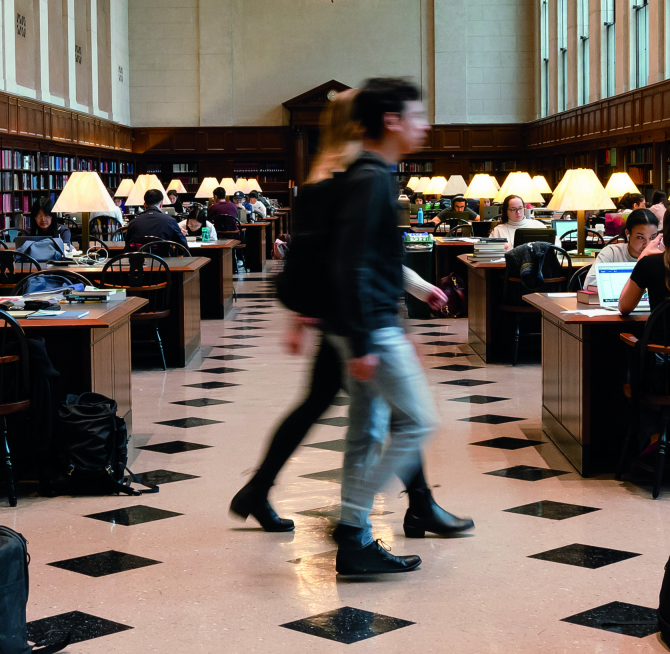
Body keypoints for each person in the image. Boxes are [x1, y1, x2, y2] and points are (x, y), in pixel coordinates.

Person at [232, 90, 467, 540]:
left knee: (343, 409)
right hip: (346, 317)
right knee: (398, 415)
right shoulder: (345, 175)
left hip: (340, 315)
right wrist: (306, 318)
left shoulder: (337, 171)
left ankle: (265, 492)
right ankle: (393, 511)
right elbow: (339, 256)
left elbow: (360, 254)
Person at [324, 76, 444, 576]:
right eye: (417, 115)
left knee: (367, 431)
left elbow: (371, 259)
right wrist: (364, 341)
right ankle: (351, 525)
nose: (426, 124)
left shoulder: (369, 172)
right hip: (369, 326)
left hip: (366, 324)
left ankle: (354, 543)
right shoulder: (372, 177)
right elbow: (350, 263)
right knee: (419, 421)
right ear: (392, 121)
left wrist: (412, 301)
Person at [123, 189, 189, 251]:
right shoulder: (170, 221)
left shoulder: (133, 223)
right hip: (164, 261)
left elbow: (127, 246)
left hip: (140, 261)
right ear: (161, 204)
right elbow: (183, 245)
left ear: (144, 205)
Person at [593, 207, 661, 265]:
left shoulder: (660, 257)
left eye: (652, 238)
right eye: (640, 237)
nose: (647, 245)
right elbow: (592, 280)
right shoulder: (612, 254)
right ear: (628, 234)